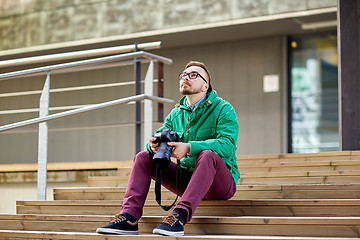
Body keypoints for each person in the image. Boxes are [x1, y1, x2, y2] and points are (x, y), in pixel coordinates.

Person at [96, 60, 240, 236]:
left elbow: (227, 145)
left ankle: (178, 217)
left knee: (207, 155)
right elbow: (157, 137)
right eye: (183, 75)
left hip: (220, 184)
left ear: (205, 86)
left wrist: (188, 147)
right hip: (187, 179)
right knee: (143, 156)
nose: (186, 77)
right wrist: (153, 145)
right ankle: (129, 218)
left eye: (193, 75)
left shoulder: (223, 109)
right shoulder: (176, 113)